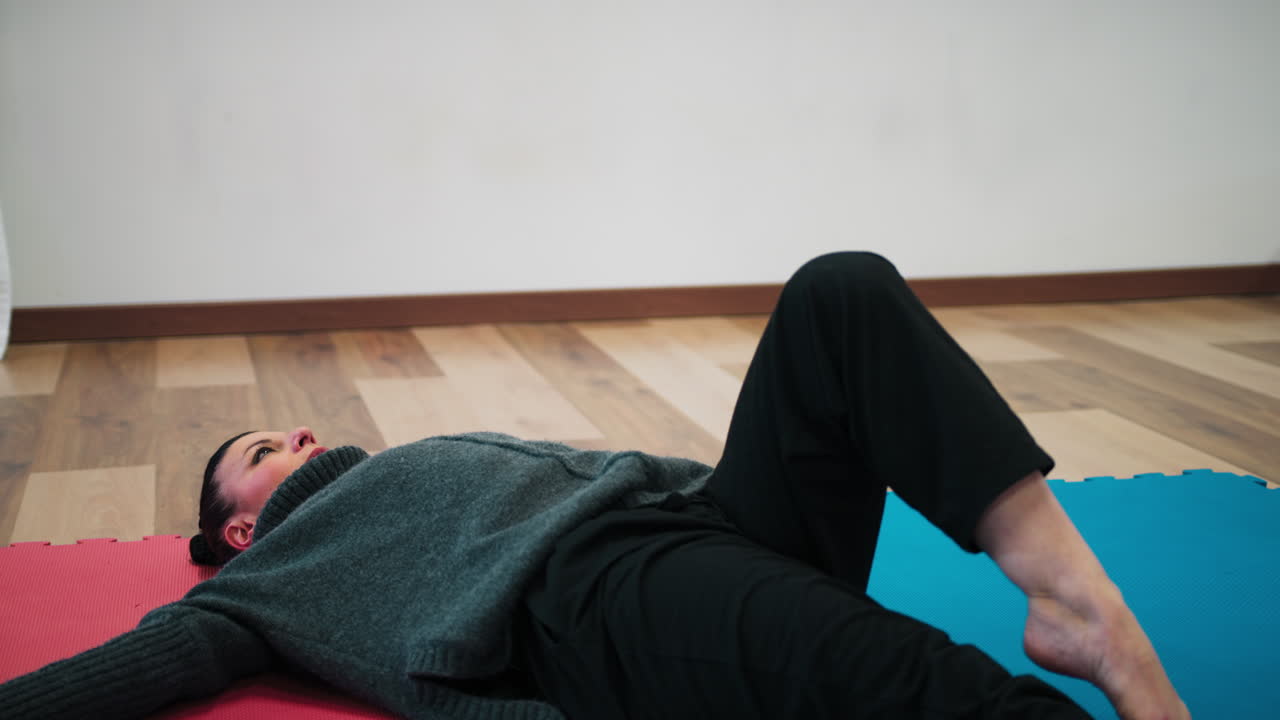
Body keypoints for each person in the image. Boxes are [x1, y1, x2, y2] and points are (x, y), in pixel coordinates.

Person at [0, 252, 1189, 720]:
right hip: (603, 599)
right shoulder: (266, 585)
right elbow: (136, 664)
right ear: (245, 527)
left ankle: (1077, 602)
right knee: (913, 686)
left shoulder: (407, 471)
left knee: (840, 291)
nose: (297, 432)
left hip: (699, 522)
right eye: (262, 449)